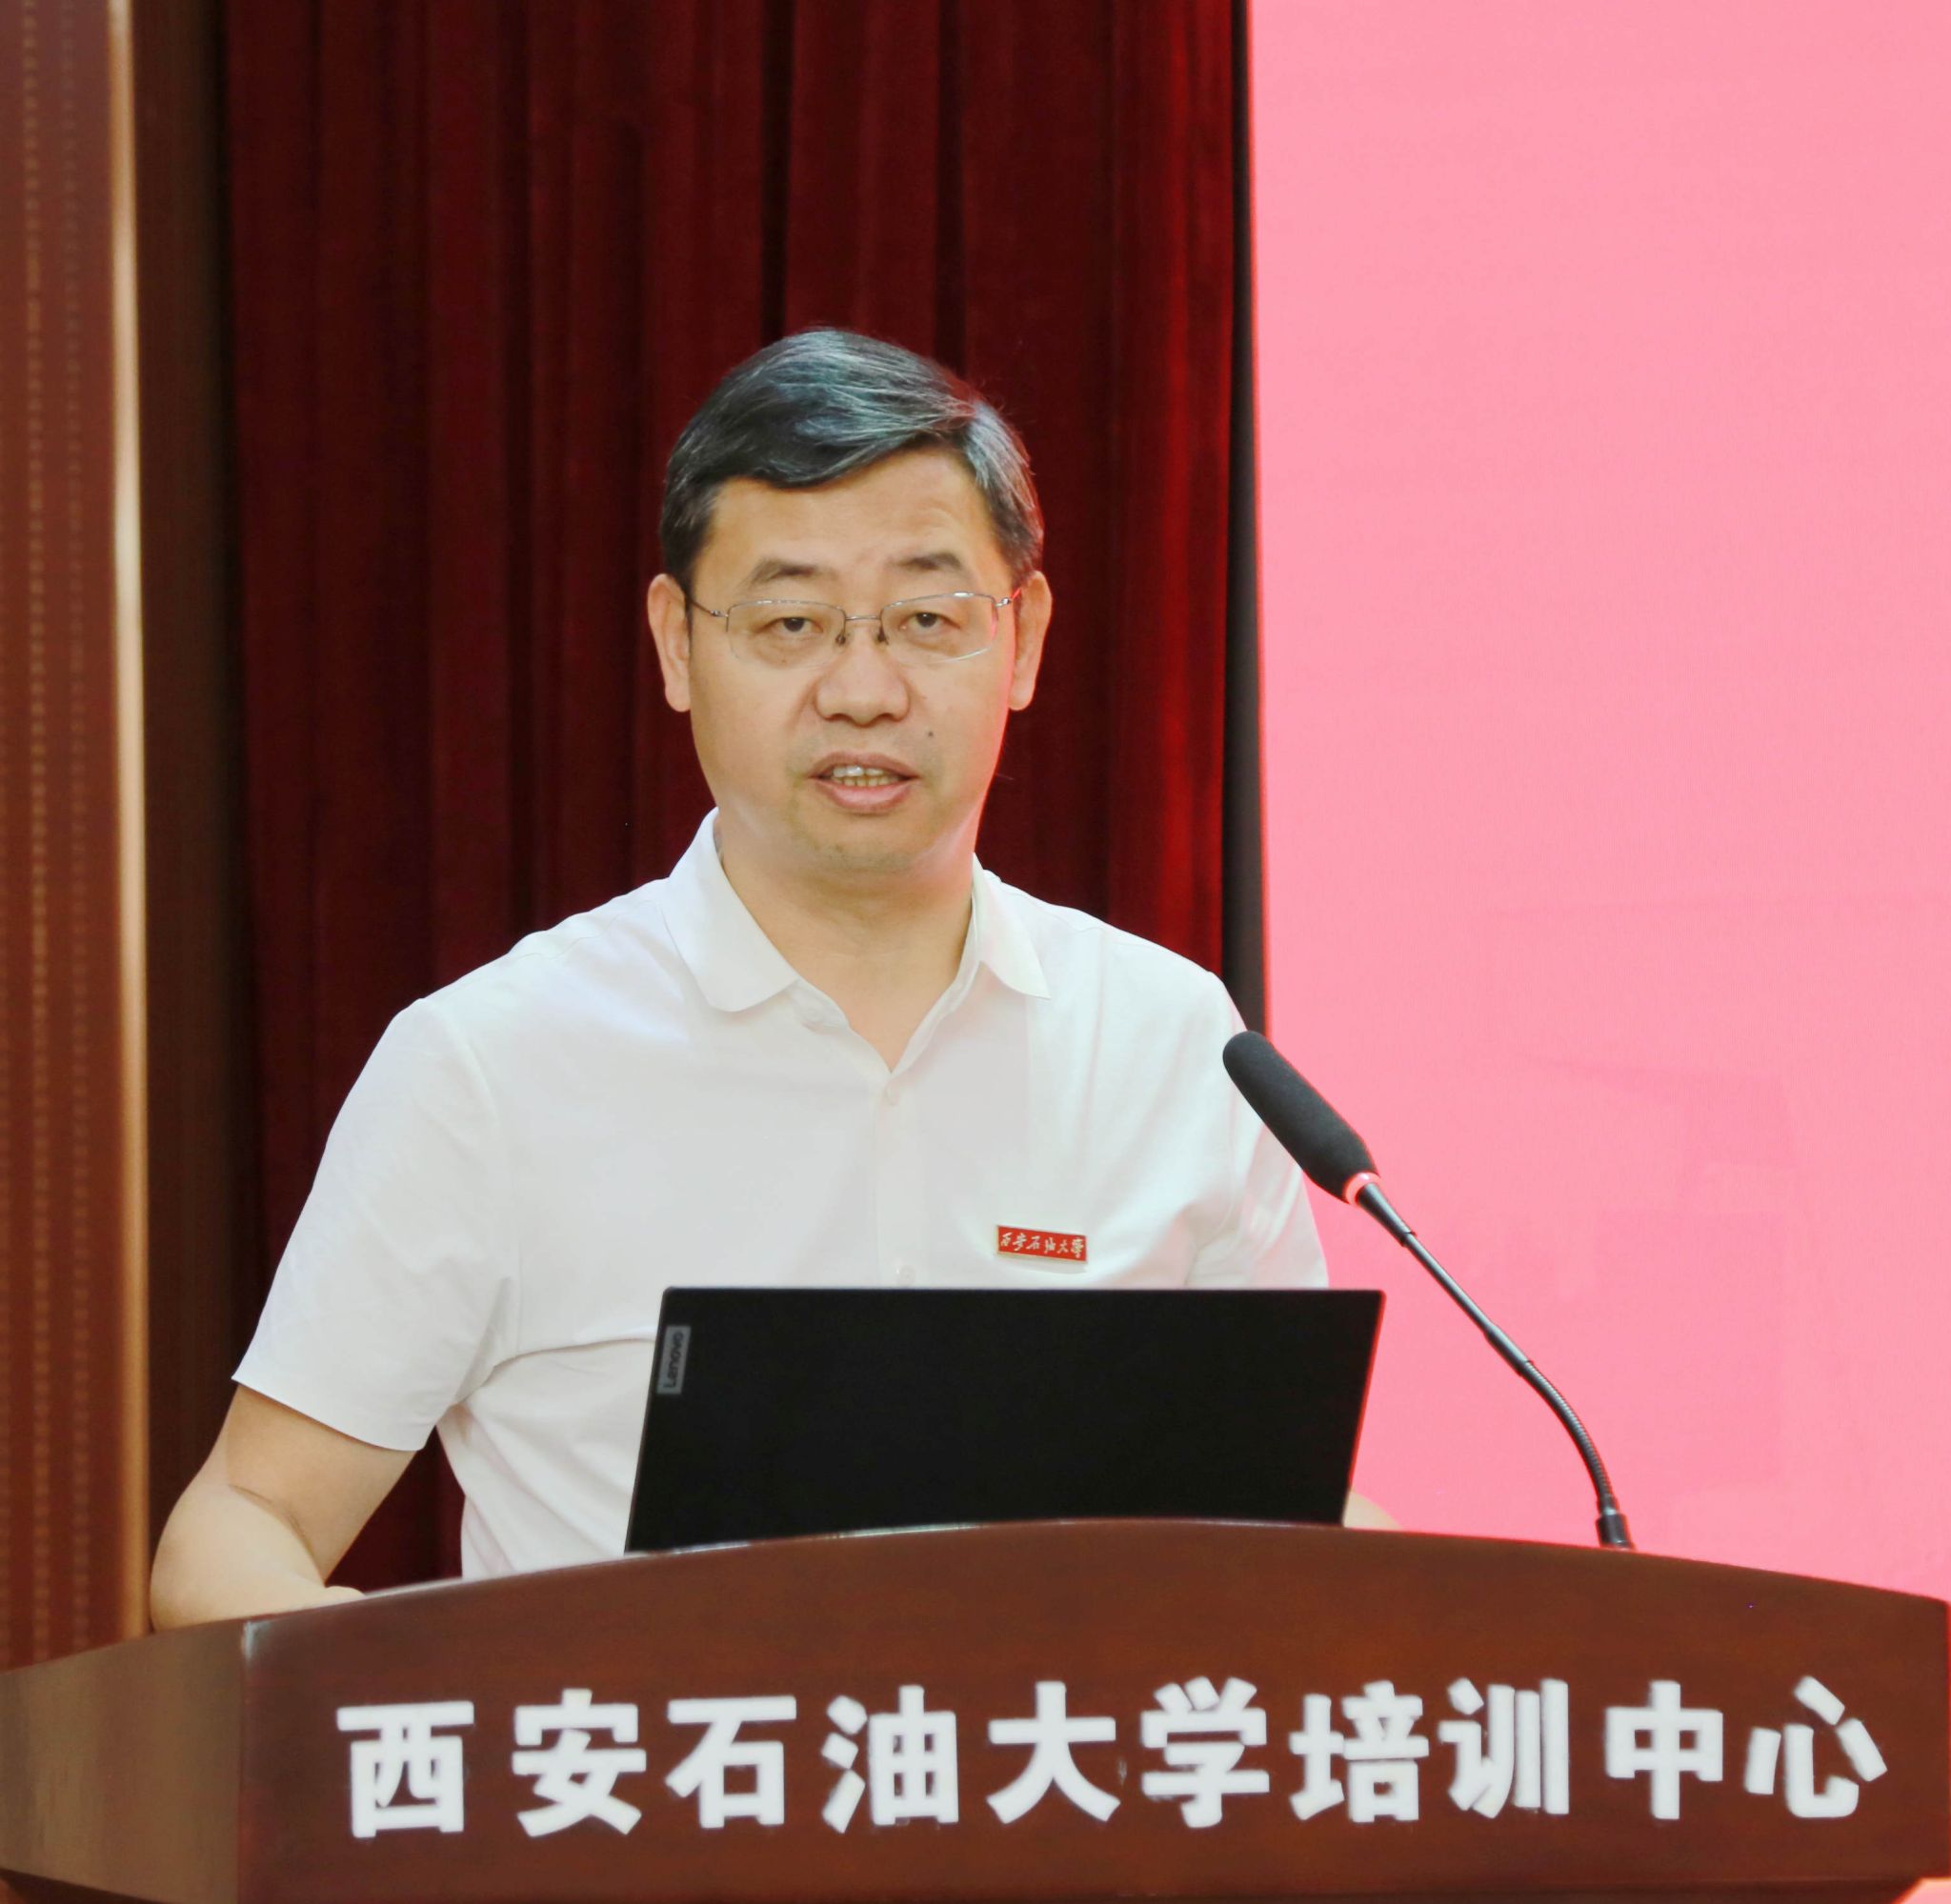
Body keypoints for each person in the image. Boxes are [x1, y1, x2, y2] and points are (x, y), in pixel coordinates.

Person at [151, 329, 1380, 1629]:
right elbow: (245, 1522)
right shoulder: (492, 1065)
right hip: (653, 1764)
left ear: (1020, 641)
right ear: (677, 646)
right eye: (792, 623)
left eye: (927, 620)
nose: (863, 690)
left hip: (1056, 1758)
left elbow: (1287, 1520)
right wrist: (413, 1706)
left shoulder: (1174, 1044)